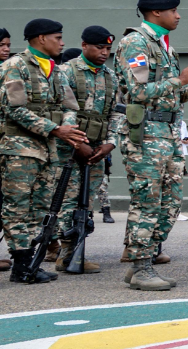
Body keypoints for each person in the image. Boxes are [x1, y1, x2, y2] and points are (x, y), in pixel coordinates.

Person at [113, 0, 188, 291]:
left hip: (168, 134)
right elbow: (137, 92)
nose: (179, 15)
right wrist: (181, 80)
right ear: (156, 13)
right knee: (147, 202)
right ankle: (141, 267)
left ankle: (143, 262)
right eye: (174, 10)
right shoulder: (135, 43)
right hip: (145, 134)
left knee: (170, 204)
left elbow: (167, 95)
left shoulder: (163, 47)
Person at [1, 19, 89, 284]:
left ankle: (30, 263)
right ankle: (21, 265)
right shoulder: (14, 66)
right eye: (58, 38)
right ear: (41, 39)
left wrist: (68, 125)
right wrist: (54, 129)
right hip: (18, 150)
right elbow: (13, 109)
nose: (62, 43)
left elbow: (70, 104)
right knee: (17, 208)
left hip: (47, 150)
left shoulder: (55, 70)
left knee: (39, 207)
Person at [53, 26, 120, 273]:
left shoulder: (111, 76)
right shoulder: (64, 72)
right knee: (67, 201)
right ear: (84, 46)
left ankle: (72, 254)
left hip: (97, 151)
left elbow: (116, 112)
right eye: (99, 48)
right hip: (67, 150)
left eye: (108, 49)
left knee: (86, 203)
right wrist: (77, 143)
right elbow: (57, 110)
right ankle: (65, 253)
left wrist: (110, 142)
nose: (104, 53)